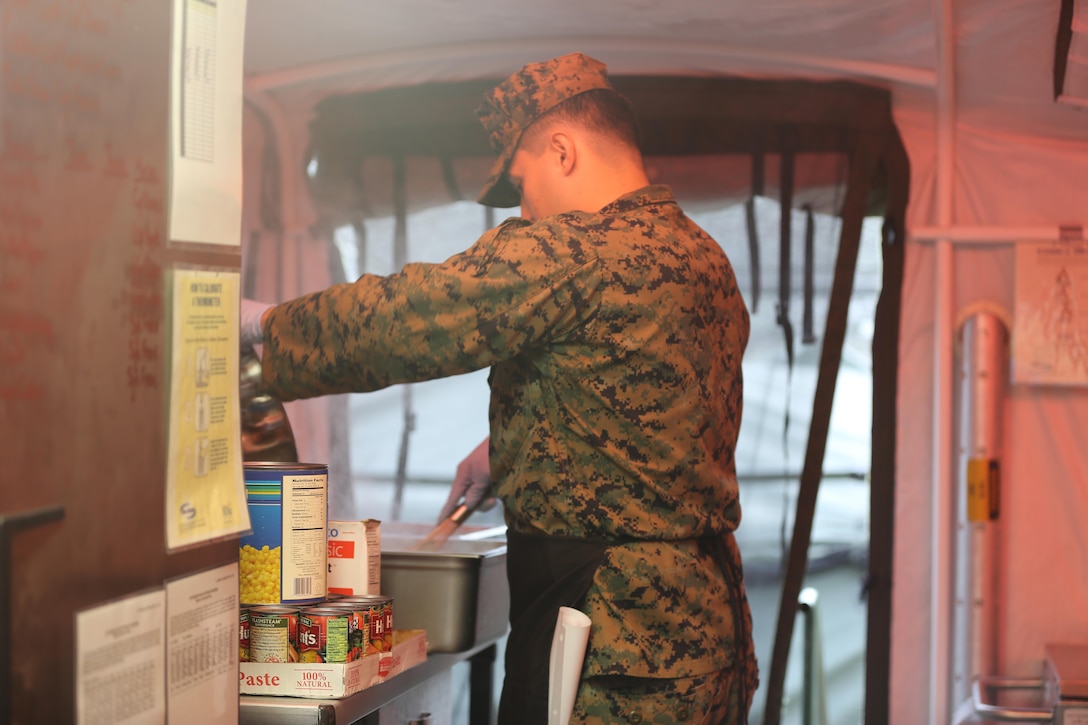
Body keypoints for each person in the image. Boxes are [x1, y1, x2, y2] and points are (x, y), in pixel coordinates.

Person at [241, 51, 758, 724]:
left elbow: (414, 316)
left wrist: (264, 325)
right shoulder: (701, 256)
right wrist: (514, 444)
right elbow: (657, 407)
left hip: (614, 641)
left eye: (521, 178)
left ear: (563, 149)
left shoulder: (575, 249)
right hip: (705, 637)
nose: (522, 204)